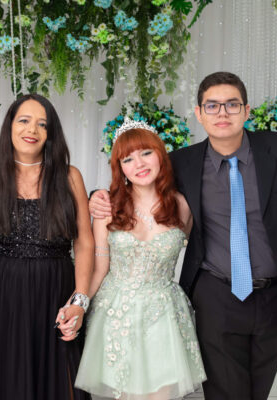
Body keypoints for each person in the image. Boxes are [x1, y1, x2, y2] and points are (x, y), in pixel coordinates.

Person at [90, 71, 277, 400]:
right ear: (199, 113)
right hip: (216, 293)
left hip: (276, 295)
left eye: (232, 104)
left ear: (246, 110)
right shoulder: (182, 163)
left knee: (257, 391)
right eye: (212, 106)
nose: (222, 113)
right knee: (223, 391)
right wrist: (96, 196)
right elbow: (138, 181)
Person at [0, 94, 94, 400]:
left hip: (56, 289)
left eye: (43, 124)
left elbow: (84, 242)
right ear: (10, 126)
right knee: (5, 376)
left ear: (51, 133)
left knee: (61, 376)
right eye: (24, 121)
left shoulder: (69, 176)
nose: (33, 130)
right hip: (1, 290)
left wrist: (80, 300)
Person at [76, 125, 206, 399]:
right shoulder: (107, 207)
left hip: (164, 313)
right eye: (128, 159)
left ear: (160, 155)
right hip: (116, 314)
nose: (139, 164)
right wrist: (78, 304)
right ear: (120, 168)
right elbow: (99, 269)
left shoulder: (183, 205)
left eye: (146, 153)